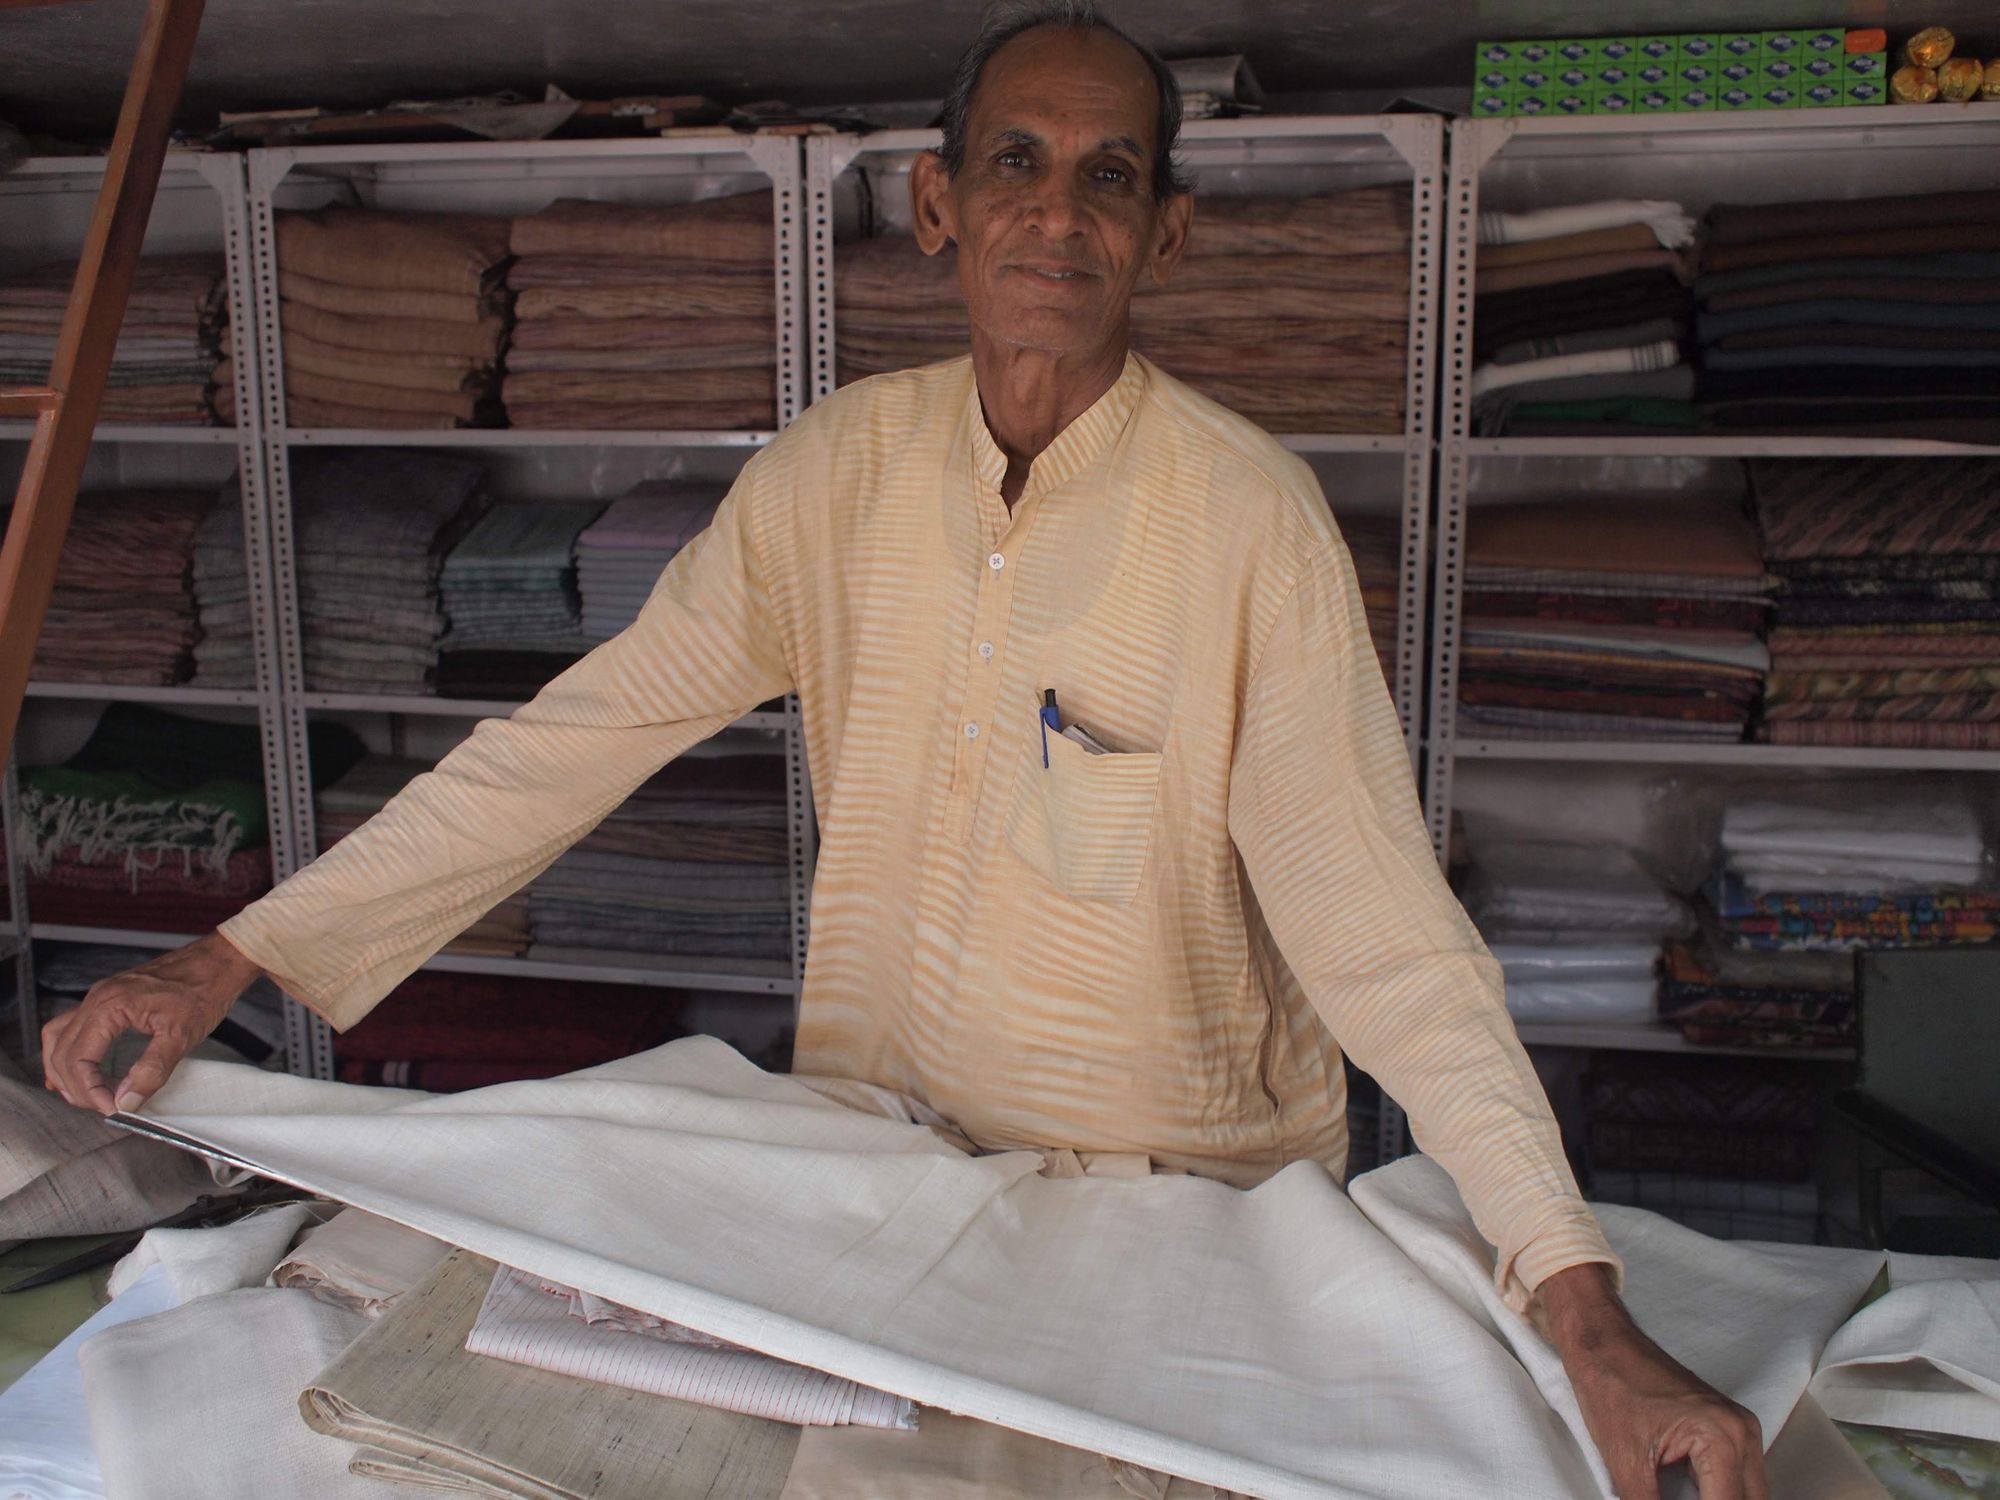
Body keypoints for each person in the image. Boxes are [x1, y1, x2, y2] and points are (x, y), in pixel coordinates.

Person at [42, 4, 1767, 1495]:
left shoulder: (1253, 525)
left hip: (1173, 1218)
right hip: (873, 1172)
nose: (1058, 212)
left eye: (1110, 175)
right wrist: (231, 958)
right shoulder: (836, 478)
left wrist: (1578, 1302)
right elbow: (576, 740)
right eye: (1016, 161)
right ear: (938, 204)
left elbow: (1381, 930)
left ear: (1166, 235)